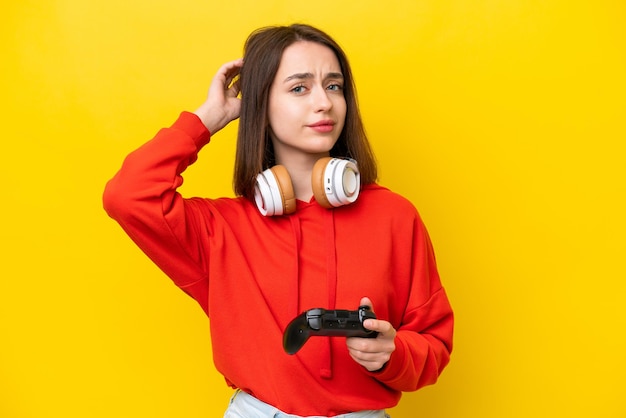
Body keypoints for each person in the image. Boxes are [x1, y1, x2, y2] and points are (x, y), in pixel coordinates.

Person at [103, 23, 453, 417]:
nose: (324, 103)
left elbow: (433, 345)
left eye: (334, 86)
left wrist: (393, 353)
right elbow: (127, 195)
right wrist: (209, 118)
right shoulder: (221, 228)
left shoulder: (395, 216)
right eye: (299, 88)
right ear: (260, 105)